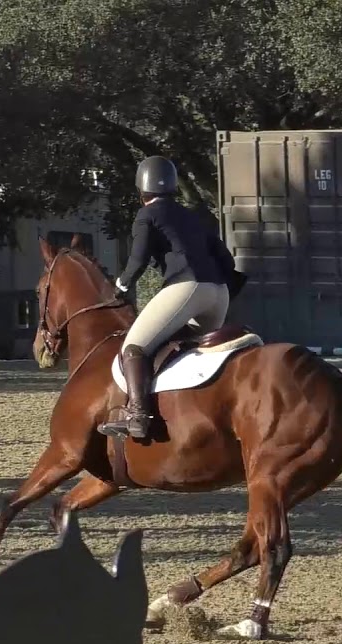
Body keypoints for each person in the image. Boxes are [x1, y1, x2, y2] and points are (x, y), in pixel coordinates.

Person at [98, 155, 237, 440]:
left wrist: (121, 286)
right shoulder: (193, 215)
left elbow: (137, 261)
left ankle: (138, 415)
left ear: (141, 190)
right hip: (219, 292)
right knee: (186, 349)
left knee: (134, 347)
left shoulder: (146, 215)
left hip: (187, 287)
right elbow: (227, 260)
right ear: (173, 186)